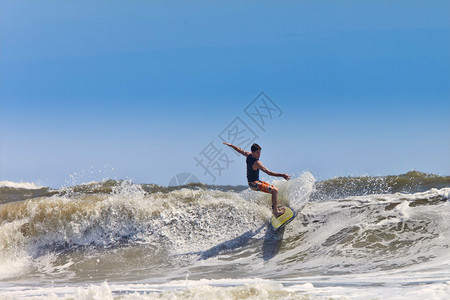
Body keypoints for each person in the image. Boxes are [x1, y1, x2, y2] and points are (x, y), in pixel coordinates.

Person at [223, 142, 291, 217]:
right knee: (274, 191)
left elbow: (240, 150)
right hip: (253, 184)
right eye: (257, 153)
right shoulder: (257, 162)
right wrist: (283, 175)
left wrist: (232, 145)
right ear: (253, 152)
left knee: (275, 189)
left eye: (260, 152)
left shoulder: (248, 155)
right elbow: (268, 172)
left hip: (255, 182)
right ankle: (275, 212)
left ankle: (275, 208)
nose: (259, 155)